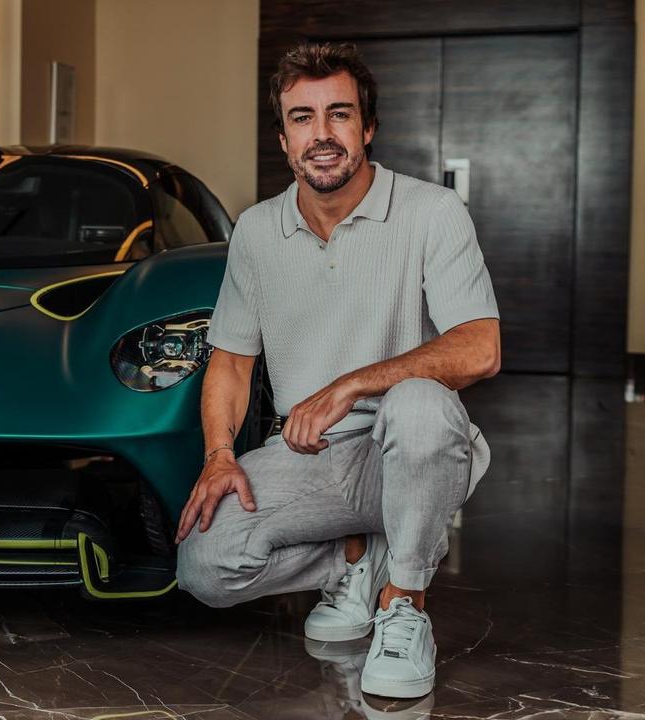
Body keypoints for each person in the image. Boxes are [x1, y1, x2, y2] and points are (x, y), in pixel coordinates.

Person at [174, 41, 500, 699]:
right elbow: (232, 361)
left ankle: (403, 602)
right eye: (302, 118)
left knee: (418, 403)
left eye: (339, 114)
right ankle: (353, 558)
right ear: (283, 138)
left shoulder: (433, 213)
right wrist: (217, 455)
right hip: (311, 456)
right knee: (204, 567)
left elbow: (480, 348)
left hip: (412, 448)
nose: (321, 135)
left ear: (368, 127)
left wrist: (352, 382)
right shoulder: (257, 232)